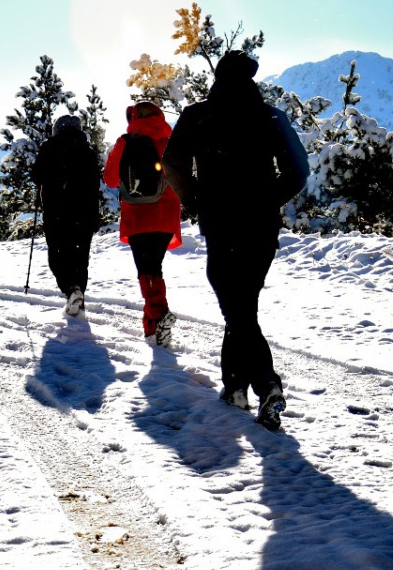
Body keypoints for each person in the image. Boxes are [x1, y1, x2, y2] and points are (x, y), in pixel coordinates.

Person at [163, 49, 309, 430]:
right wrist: (267, 199)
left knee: (237, 309)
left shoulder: (198, 115)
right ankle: (234, 387)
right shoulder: (270, 116)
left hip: (221, 223)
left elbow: (172, 162)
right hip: (262, 226)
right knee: (243, 305)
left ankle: (266, 385)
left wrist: (193, 197)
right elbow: (299, 170)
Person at [104, 100, 183, 346]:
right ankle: (152, 330)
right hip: (165, 216)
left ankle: (159, 314)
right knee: (153, 268)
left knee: (146, 269)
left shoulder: (125, 142)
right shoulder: (171, 143)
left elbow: (110, 180)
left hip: (138, 216)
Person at [33, 114, 101, 316]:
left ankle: (70, 290)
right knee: (80, 258)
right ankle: (78, 295)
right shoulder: (87, 151)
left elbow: (37, 176)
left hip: (57, 212)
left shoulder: (50, 148)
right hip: (84, 213)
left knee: (58, 255)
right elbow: (95, 185)